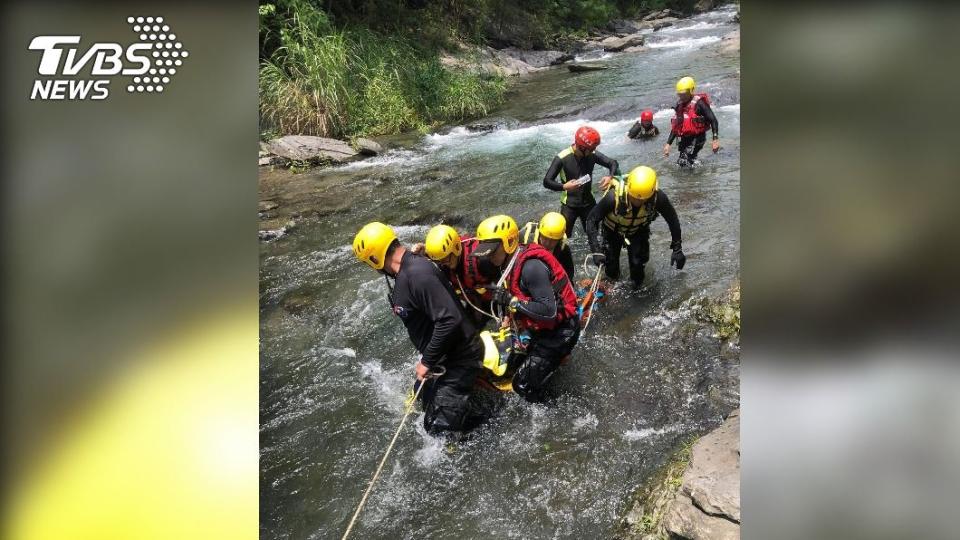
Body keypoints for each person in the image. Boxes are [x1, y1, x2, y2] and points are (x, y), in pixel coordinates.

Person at [352, 222, 493, 435]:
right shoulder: (410, 270)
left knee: (437, 429)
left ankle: (492, 420)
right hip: (443, 356)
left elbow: (449, 320)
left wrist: (426, 362)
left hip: (461, 357)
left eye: (368, 263)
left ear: (375, 258)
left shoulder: (417, 274)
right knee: (423, 404)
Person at [471, 215, 581, 402]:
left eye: (491, 251)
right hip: (541, 329)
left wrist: (511, 301)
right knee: (508, 365)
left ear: (509, 243)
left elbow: (549, 312)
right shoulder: (508, 262)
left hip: (561, 330)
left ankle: (551, 407)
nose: (488, 256)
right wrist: (508, 314)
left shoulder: (531, 268)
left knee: (521, 385)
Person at [585, 166, 686, 286]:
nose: (637, 202)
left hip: (638, 231)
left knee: (638, 269)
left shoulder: (658, 198)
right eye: (633, 198)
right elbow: (591, 220)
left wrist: (677, 249)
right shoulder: (613, 198)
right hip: (612, 231)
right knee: (611, 270)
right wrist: (596, 251)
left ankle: (637, 294)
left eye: (643, 199)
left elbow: (672, 220)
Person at [543, 126, 620, 238]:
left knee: (594, 236)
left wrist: (610, 177)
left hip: (588, 203)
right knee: (563, 238)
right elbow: (547, 181)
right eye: (591, 149)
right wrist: (564, 186)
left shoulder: (591, 154)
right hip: (569, 205)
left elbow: (613, 163)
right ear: (582, 147)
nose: (593, 151)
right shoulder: (562, 158)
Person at [423, 224, 500, 325]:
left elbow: (506, 280)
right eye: (439, 261)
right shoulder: (444, 264)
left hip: (497, 299)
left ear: (456, 248)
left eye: (445, 259)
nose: (444, 264)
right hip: (476, 299)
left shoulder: (481, 260)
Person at [663, 76, 719, 167]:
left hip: (698, 138)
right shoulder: (679, 105)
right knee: (684, 162)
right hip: (685, 138)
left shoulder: (700, 103)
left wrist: (715, 139)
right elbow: (676, 126)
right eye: (680, 94)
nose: (682, 96)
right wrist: (668, 144)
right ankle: (696, 177)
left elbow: (713, 120)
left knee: (684, 162)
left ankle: (691, 179)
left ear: (691, 90)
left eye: (684, 94)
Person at [520, 211, 576, 280]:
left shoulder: (563, 249)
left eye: (553, 240)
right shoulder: (524, 239)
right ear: (539, 232)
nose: (547, 243)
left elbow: (568, 276)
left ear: (559, 239)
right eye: (545, 238)